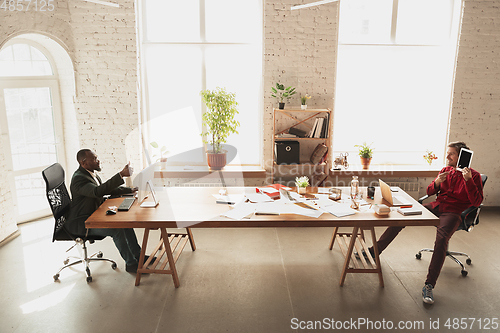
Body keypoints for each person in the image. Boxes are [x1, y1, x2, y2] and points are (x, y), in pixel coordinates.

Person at [360, 141, 483, 305]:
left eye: (451, 153)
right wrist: (438, 182)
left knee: (441, 240)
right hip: (436, 206)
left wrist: (468, 181)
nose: (447, 156)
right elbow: (430, 192)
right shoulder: (446, 170)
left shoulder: (473, 176)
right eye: (448, 153)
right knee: (401, 217)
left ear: (460, 156)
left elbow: (476, 201)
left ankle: (429, 285)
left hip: (453, 213)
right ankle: (375, 251)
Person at [66, 149, 151, 273]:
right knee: (116, 230)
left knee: (125, 222)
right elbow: (97, 192)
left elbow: (105, 190)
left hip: (94, 215)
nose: (98, 160)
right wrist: (121, 175)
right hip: (83, 222)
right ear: (84, 163)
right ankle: (131, 264)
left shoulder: (90, 174)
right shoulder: (79, 179)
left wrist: (130, 190)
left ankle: (138, 256)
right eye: (94, 159)